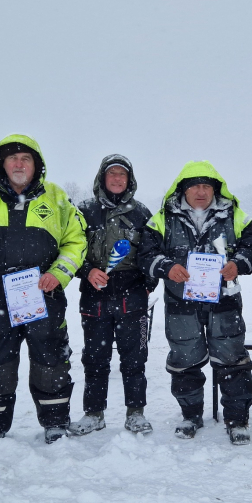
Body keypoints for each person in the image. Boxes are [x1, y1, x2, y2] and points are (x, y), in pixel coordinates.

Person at [0, 134, 87, 444]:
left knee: (51, 355)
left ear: (37, 164)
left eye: (25, 158)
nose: (18, 163)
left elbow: (77, 239)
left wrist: (58, 273)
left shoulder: (57, 198)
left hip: (45, 292)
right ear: (1, 164)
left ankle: (55, 420)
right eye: (12, 158)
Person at [138, 161, 252, 445]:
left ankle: (237, 419)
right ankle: (191, 415)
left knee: (232, 358)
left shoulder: (235, 215)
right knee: (185, 361)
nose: (201, 191)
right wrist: (166, 266)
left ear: (215, 190)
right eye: (194, 186)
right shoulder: (163, 218)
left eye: (206, 186)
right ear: (183, 190)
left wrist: (238, 263)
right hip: (181, 303)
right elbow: (146, 253)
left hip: (224, 303)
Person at [68, 154, 158, 436]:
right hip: (95, 294)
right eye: (112, 174)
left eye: (122, 174)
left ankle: (135, 413)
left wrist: (148, 284)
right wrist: (86, 271)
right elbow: (71, 249)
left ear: (129, 180)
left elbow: (152, 253)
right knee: (95, 358)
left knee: (134, 358)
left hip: (132, 293)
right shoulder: (84, 211)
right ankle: (93, 413)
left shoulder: (142, 214)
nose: (117, 179)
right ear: (102, 178)